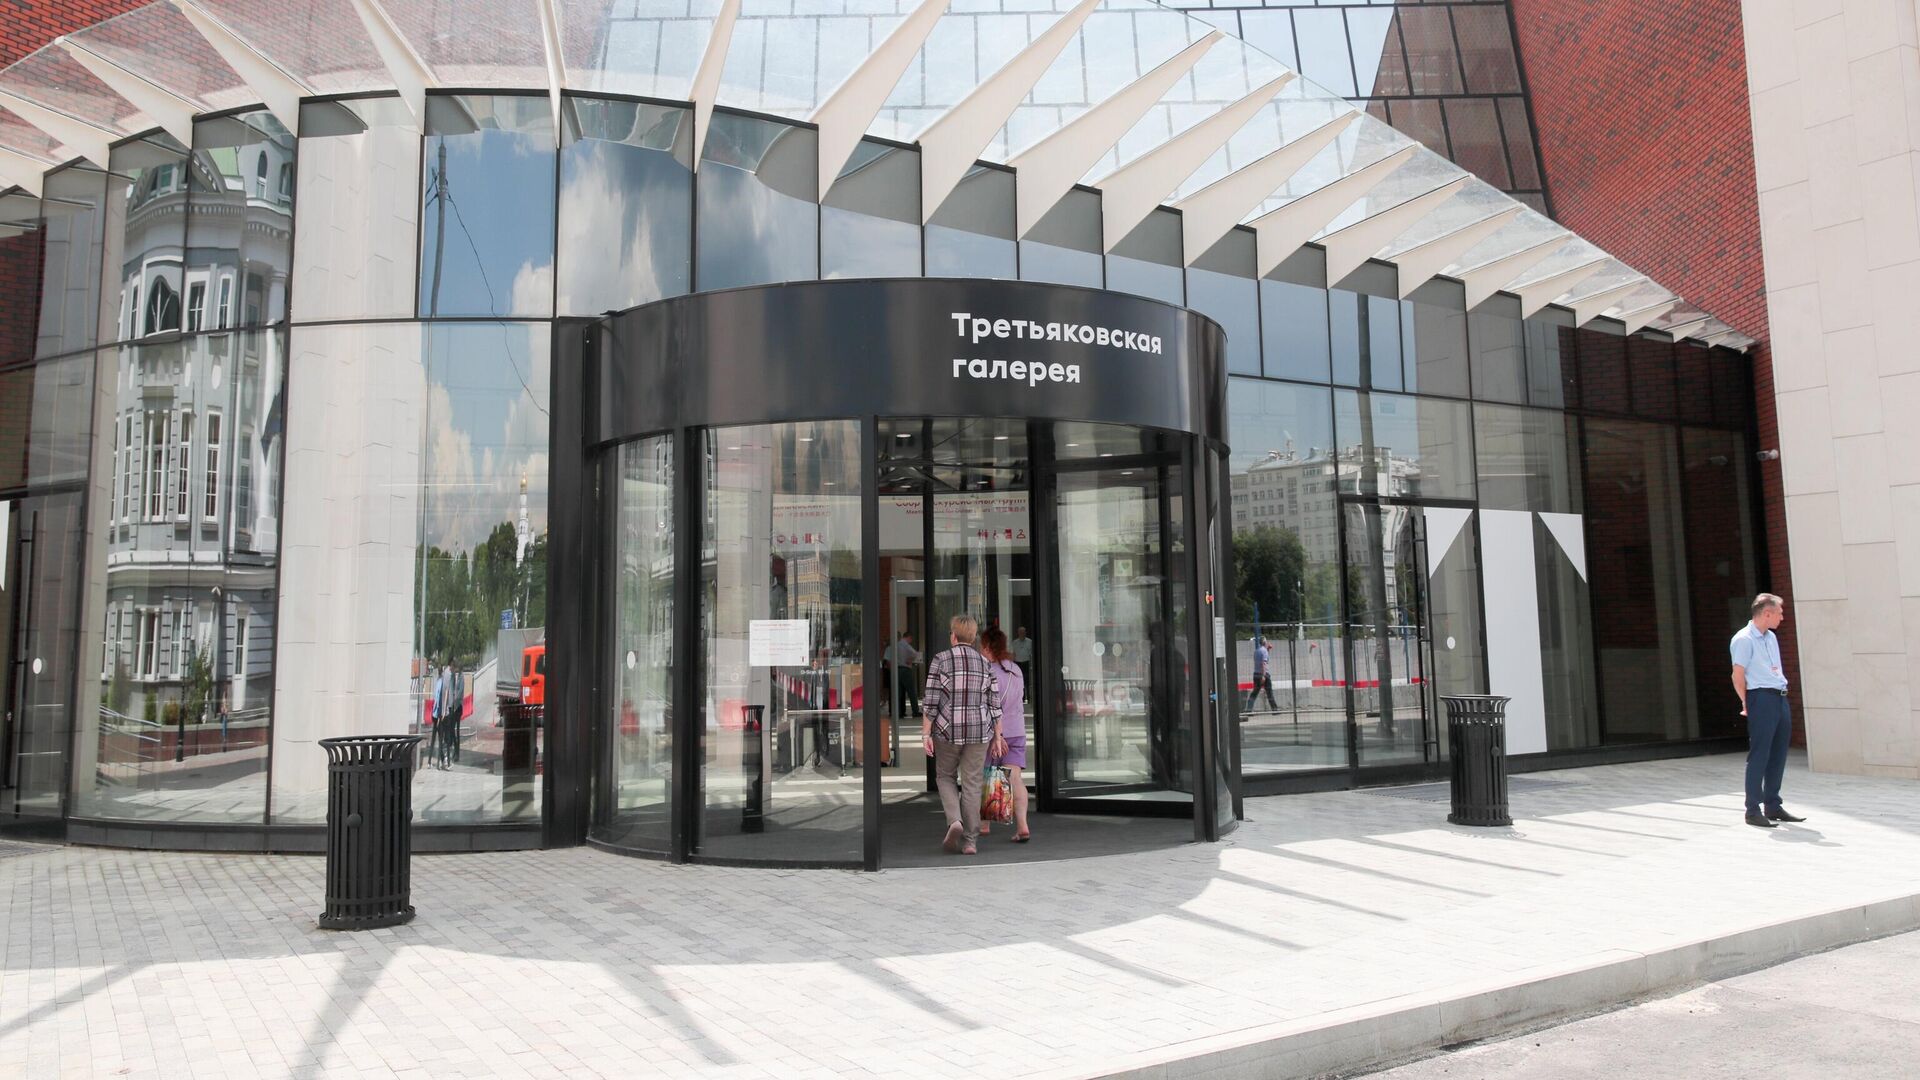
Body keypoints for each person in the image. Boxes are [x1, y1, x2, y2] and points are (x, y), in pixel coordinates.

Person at [921, 614, 1005, 856]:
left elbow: (931, 701)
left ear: (953, 636)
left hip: (947, 730)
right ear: (973, 637)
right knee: (972, 784)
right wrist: (998, 736)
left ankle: (954, 820)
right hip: (979, 731)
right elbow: (994, 704)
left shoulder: (941, 660)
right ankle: (970, 841)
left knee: (945, 776)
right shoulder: (985, 663)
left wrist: (926, 734)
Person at [1731, 594, 1803, 828]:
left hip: (1779, 697)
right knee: (1760, 754)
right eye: (1779, 613)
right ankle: (1752, 810)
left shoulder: (1771, 637)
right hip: (1760, 697)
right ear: (1767, 613)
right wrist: (1746, 702)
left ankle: (1773, 805)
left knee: (1779, 753)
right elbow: (1737, 676)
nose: (1782, 617)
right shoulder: (1743, 639)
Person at [978, 627, 1031, 841]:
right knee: (1015, 778)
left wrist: (996, 736)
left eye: (981, 647)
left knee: (987, 775)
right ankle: (1022, 826)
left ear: (987, 648)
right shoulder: (1016, 669)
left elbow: (987, 706)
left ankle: (984, 825)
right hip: (1017, 731)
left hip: (994, 733)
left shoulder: (987, 672)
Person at [883, 631, 920, 717]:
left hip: (896, 670)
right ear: (909, 637)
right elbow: (915, 653)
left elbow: (887, 661)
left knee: (898, 692)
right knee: (911, 691)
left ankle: (898, 713)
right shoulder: (904, 644)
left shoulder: (891, 647)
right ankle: (915, 711)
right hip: (905, 669)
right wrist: (910, 660)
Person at [1246, 637, 1278, 712]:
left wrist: (1268, 650)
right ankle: (1275, 710)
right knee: (1269, 693)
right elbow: (1263, 663)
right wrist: (1263, 676)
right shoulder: (1264, 651)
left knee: (1254, 693)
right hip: (1263, 675)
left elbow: (1261, 659)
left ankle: (1249, 709)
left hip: (1256, 674)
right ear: (1265, 642)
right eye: (1266, 641)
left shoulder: (1256, 651)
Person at [1009, 627, 1034, 700]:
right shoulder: (1014, 643)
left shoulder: (1030, 642)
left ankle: (1029, 697)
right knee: (1019, 681)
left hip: (1027, 663)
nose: (1022, 634)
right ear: (1018, 633)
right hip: (1018, 664)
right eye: (1020, 632)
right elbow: (1012, 654)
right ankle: (1021, 698)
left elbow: (1032, 653)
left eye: (1023, 632)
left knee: (1027, 681)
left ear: (1025, 633)